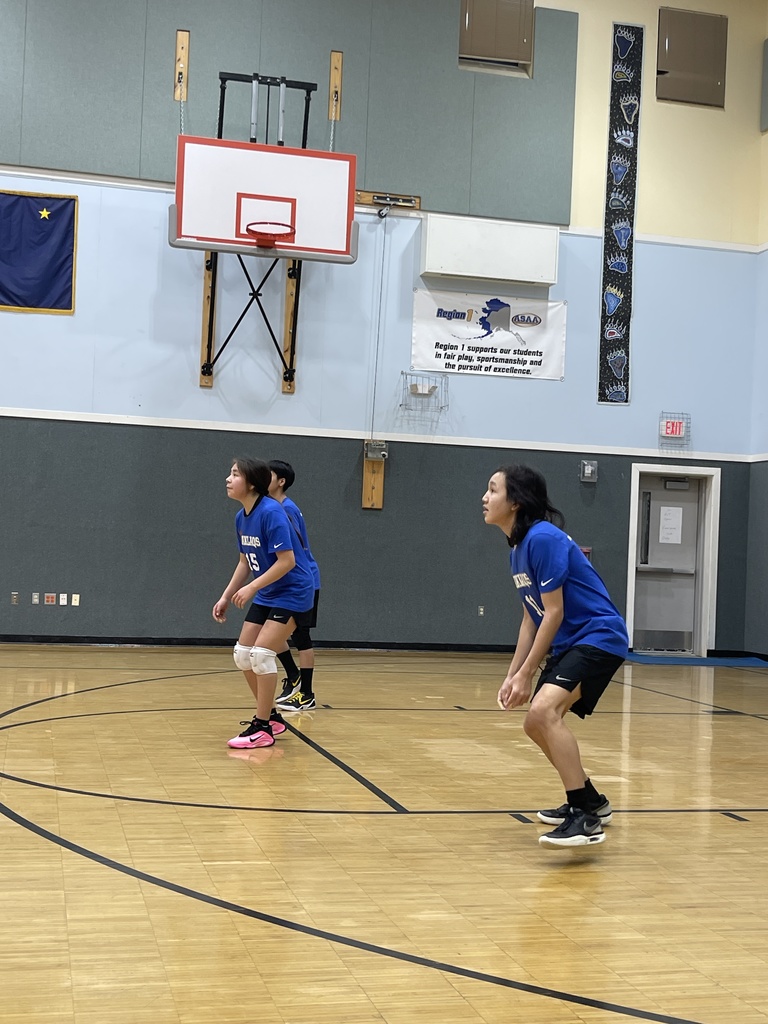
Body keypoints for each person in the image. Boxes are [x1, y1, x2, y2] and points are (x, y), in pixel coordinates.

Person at [482, 464, 628, 847]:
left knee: (543, 711)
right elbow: (531, 618)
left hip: (599, 637)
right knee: (534, 722)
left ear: (515, 502)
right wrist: (513, 673)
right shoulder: (518, 548)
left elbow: (555, 612)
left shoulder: (543, 538)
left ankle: (583, 817)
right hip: (572, 642)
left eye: (493, 490)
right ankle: (590, 800)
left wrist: (529, 673)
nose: (485, 497)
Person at [212, 457, 315, 749]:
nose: (228, 480)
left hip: (293, 591)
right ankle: (271, 717)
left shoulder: (273, 512)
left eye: (234, 474)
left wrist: (252, 587)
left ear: (252, 483)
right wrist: (225, 596)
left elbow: (288, 561)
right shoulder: (241, 517)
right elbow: (245, 560)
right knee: (242, 655)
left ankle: (262, 727)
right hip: (269, 592)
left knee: (261, 655)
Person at [268, 459, 320, 712]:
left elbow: (291, 554)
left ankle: (307, 694)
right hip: (286, 582)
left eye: (268, 475)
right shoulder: (273, 507)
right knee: (271, 630)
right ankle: (293, 674)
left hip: (302, 580)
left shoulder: (285, 510)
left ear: (281, 481)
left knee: (302, 637)